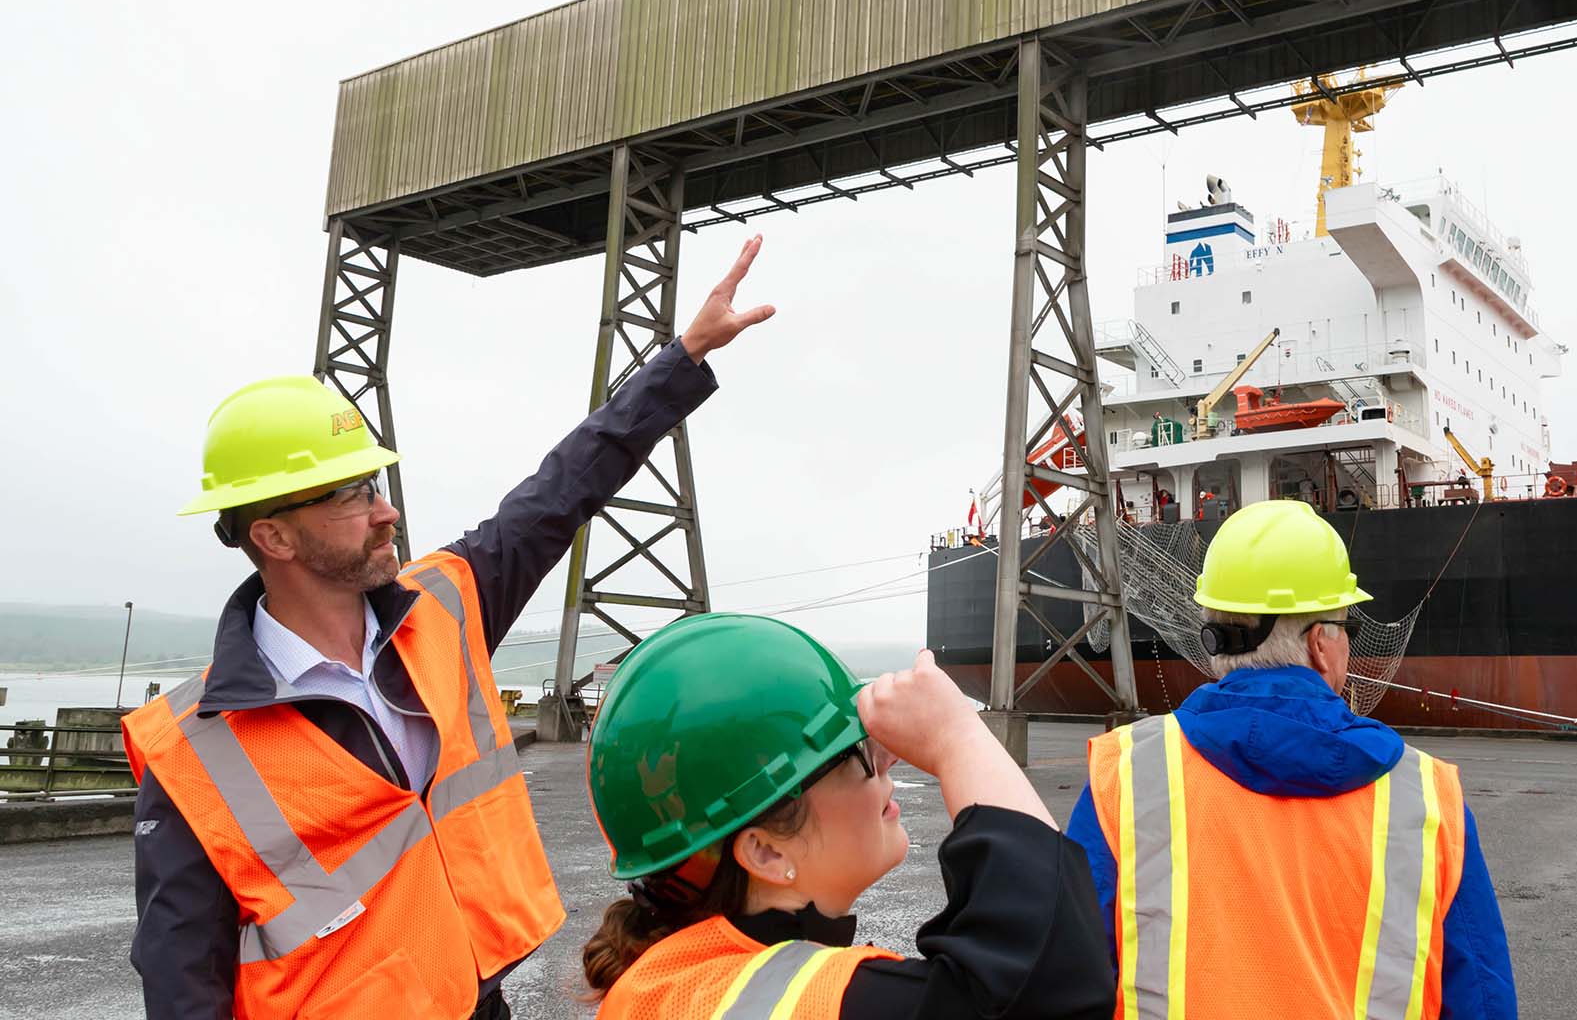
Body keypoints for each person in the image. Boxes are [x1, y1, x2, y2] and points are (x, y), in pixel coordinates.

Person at [121, 237, 775, 1019]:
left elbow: (562, 488)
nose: (386, 509)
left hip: (481, 1003)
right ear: (275, 537)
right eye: (353, 496)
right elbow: (182, 986)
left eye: (378, 484)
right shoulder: (196, 756)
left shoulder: (445, 608)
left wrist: (684, 357)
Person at [1064, 500, 1517, 1019]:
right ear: (1323, 643)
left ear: (1215, 642)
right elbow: (1481, 999)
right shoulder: (1429, 802)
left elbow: (1065, 977)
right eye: (1346, 626)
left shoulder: (1125, 778)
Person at [582, 615, 1114, 1019]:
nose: (889, 758)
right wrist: (956, 739)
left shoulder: (668, 984)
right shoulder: (806, 1002)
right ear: (766, 851)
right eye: (858, 752)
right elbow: (1049, 983)